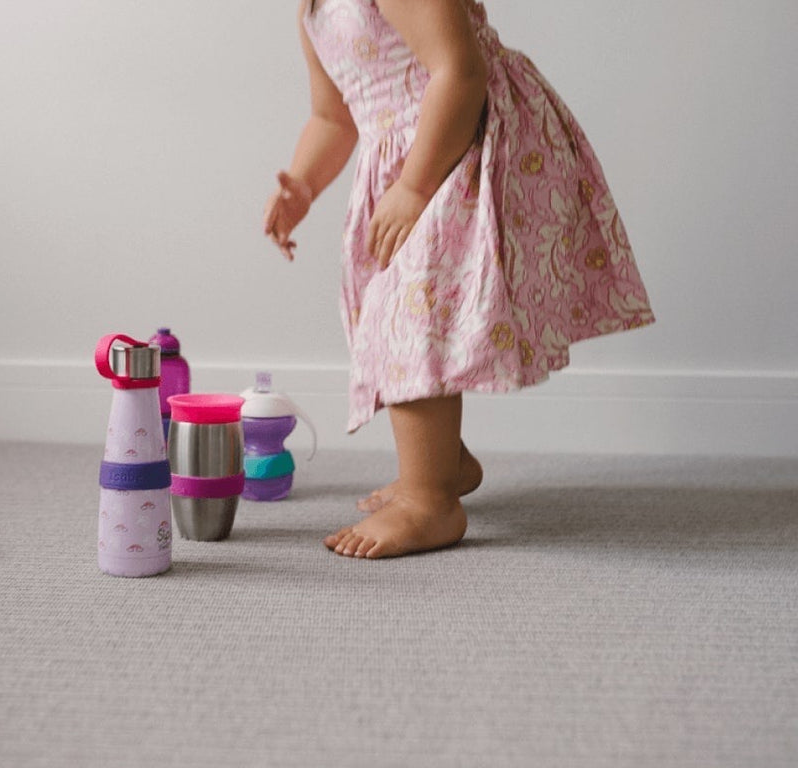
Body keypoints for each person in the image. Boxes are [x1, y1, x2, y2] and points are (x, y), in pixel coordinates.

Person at [262, 0, 654, 559]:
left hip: (460, 138)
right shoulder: (311, 11)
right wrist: (300, 186)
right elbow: (333, 118)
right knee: (393, 317)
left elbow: (459, 71)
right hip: (403, 158)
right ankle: (445, 463)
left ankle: (431, 502)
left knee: (412, 315)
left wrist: (416, 186)